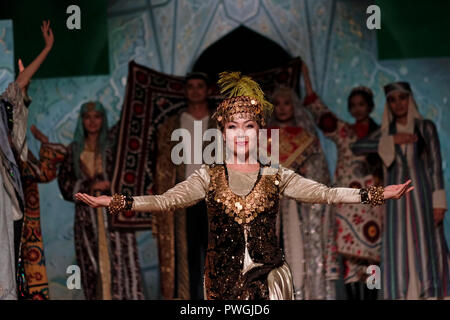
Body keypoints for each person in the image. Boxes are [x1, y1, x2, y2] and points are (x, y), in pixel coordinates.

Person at [75, 72, 413, 300]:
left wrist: (376, 194)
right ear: (223, 133)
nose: (241, 133)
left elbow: (324, 193)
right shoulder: (208, 175)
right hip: (222, 282)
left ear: (259, 132)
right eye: (234, 127)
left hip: (271, 282)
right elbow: (165, 201)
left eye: (249, 126)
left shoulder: (275, 175)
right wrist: (114, 201)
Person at [351, 82, 449, 299]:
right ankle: (401, 292)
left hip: (421, 190)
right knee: (398, 241)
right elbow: (357, 147)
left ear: (410, 99)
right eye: (393, 100)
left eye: (402, 98)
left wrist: (439, 201)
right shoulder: (386, 132)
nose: (398, 104)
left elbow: (434, 164)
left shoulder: (425, 127)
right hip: (395, 194)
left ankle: (428, 291)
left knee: (424, 240)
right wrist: (392, 140)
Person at [301, 63, 384, 299]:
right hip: (347, 201)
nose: (358, 109)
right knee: (349, 257)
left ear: (370, 106)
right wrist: (306, 77)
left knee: (372, 254)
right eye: (353, 105)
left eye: (362, 104)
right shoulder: (343, 131)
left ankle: (371, 298)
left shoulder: (382, 134)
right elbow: (319, 112)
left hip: (374, 202)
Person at [57, 101, 144, 300]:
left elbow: (127, 176)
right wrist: (90, 187)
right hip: (87, 217)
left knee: (120, 261)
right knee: (91, 263)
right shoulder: (74, 150)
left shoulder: (114, 148)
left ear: (103, 119)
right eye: (88, 117)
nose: (92, 121)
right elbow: (64, 184)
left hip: (114, 214)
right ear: (82, 121)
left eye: (97, 116)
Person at [0, 20, 53, 300]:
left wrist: (47, 48)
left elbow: (19, 85)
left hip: (3, 196)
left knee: (6, 263)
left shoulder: (2, 108)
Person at [269, 87, 337, 299]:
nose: (281, 108)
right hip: (273, 205)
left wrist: (306, 174)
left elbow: (320, 172)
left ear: (294, 106)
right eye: (277, 104)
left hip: (298, 207)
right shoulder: (263, 138)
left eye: (286, 103)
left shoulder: (306, 137)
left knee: (299, 252)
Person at [153, 72, 216, 299]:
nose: (196, 90)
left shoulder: (221, 122)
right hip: (186, 198)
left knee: (218, 255)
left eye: (200, 86)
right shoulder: (173, 124)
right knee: (186, 257)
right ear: (184, 91)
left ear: (208, 90)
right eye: (190, 86)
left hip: (215, 199)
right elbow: (163, 166)